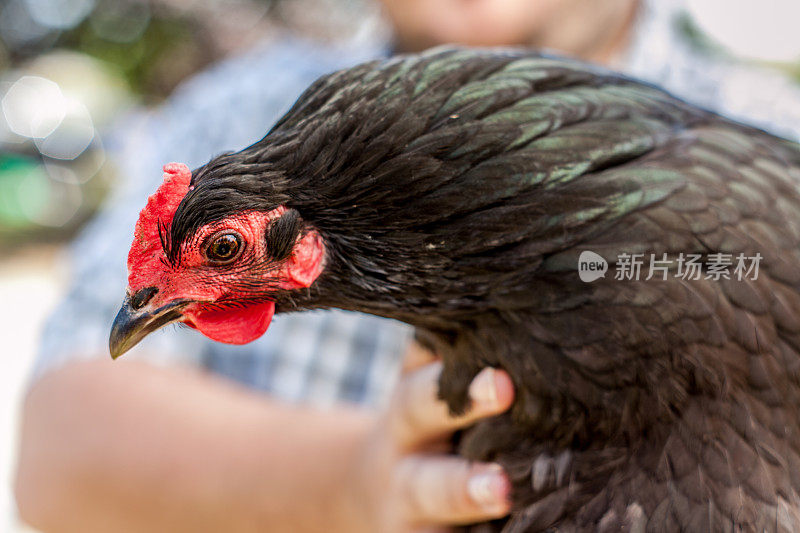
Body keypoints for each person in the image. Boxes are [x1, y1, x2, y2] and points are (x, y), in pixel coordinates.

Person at [15, 0, 800, 531]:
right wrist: (356, 475)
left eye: (223, 252)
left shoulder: (776, 131)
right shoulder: (231, 105)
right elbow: (54, 449)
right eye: (222, 251)